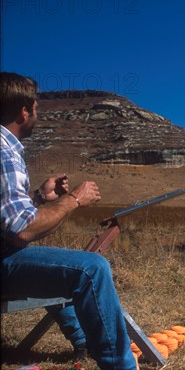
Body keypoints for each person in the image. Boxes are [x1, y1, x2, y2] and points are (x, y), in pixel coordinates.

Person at [1, 72, 137, 370]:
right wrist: (74, 199)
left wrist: (39, 197)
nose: (37, 112)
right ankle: (119, 366)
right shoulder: (4, 151)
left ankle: (84, 342)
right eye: (35, 106)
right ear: (24, 110)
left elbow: (8, 217)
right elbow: (22, 231)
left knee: (56, 262)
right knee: (92, 269)